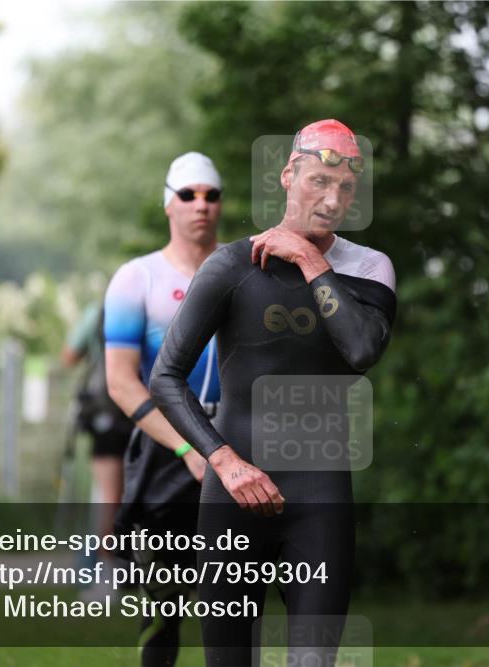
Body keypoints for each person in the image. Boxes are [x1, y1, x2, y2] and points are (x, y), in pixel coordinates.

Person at [149, 119, 396, 666]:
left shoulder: (370, 269)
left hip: (320, 500)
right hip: (232, 496)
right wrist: (225, 461)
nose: (332, 200)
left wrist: (310, 260)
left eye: (346, 189)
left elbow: (361, 351)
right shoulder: (233, 266)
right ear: (288, 175)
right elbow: (165, 377)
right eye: (318, 182)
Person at [103, 151, 223, 666]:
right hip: (166, 456)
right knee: (163, 610)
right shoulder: (138, 279)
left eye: (211, 195)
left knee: (235, 598)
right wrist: (185, 446)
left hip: (237, 443)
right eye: (188, 194)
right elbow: (120, 382)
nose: (201, 205)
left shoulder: (244, 269)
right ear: (168, 204)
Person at [61, 301, 134, 600]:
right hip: (150, 413)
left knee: (108, 498)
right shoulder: (151, 307)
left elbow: (68, 357)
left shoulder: (99, 312)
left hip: (109, 415)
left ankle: (105, 577)